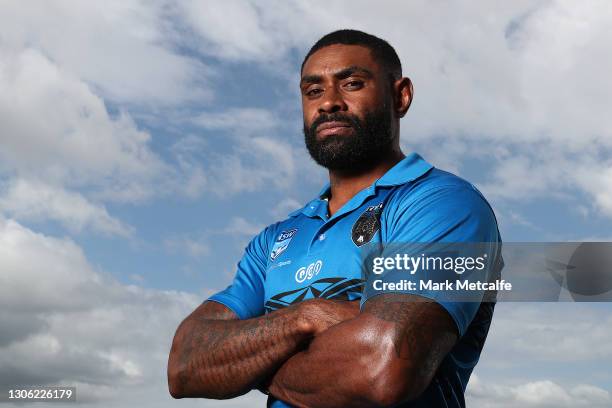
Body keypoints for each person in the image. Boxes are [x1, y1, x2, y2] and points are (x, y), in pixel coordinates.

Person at [167, 29, 502, 407]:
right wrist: (304, 317)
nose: (329, 103)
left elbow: (381, 369)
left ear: (400, 95)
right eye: (313, 92)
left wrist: (247, 362)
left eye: (352, 84)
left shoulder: (441, 204)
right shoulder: (274, 240)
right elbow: (185, 364)